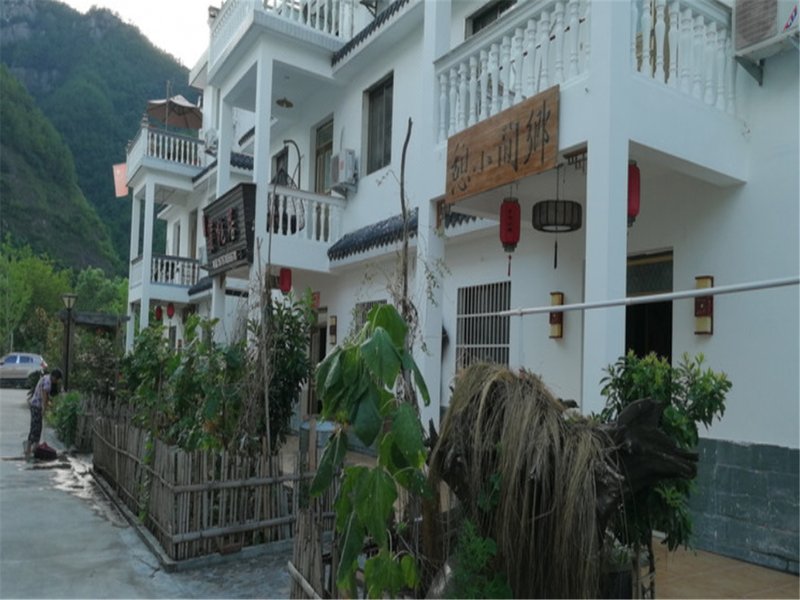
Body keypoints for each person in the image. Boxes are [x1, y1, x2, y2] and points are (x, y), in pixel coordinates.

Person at [24, 368, 61, 460]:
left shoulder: (45, 377)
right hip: (36, 406)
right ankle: (30, 449)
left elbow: (46, 396)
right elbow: (44, 395)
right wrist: (44, 408)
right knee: (36, 428)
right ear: (54, 377)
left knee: (36, 427)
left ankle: (33, 448)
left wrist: (47, 405)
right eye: (57, 379)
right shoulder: (48, 382)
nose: (57, 381)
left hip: (35, 405)